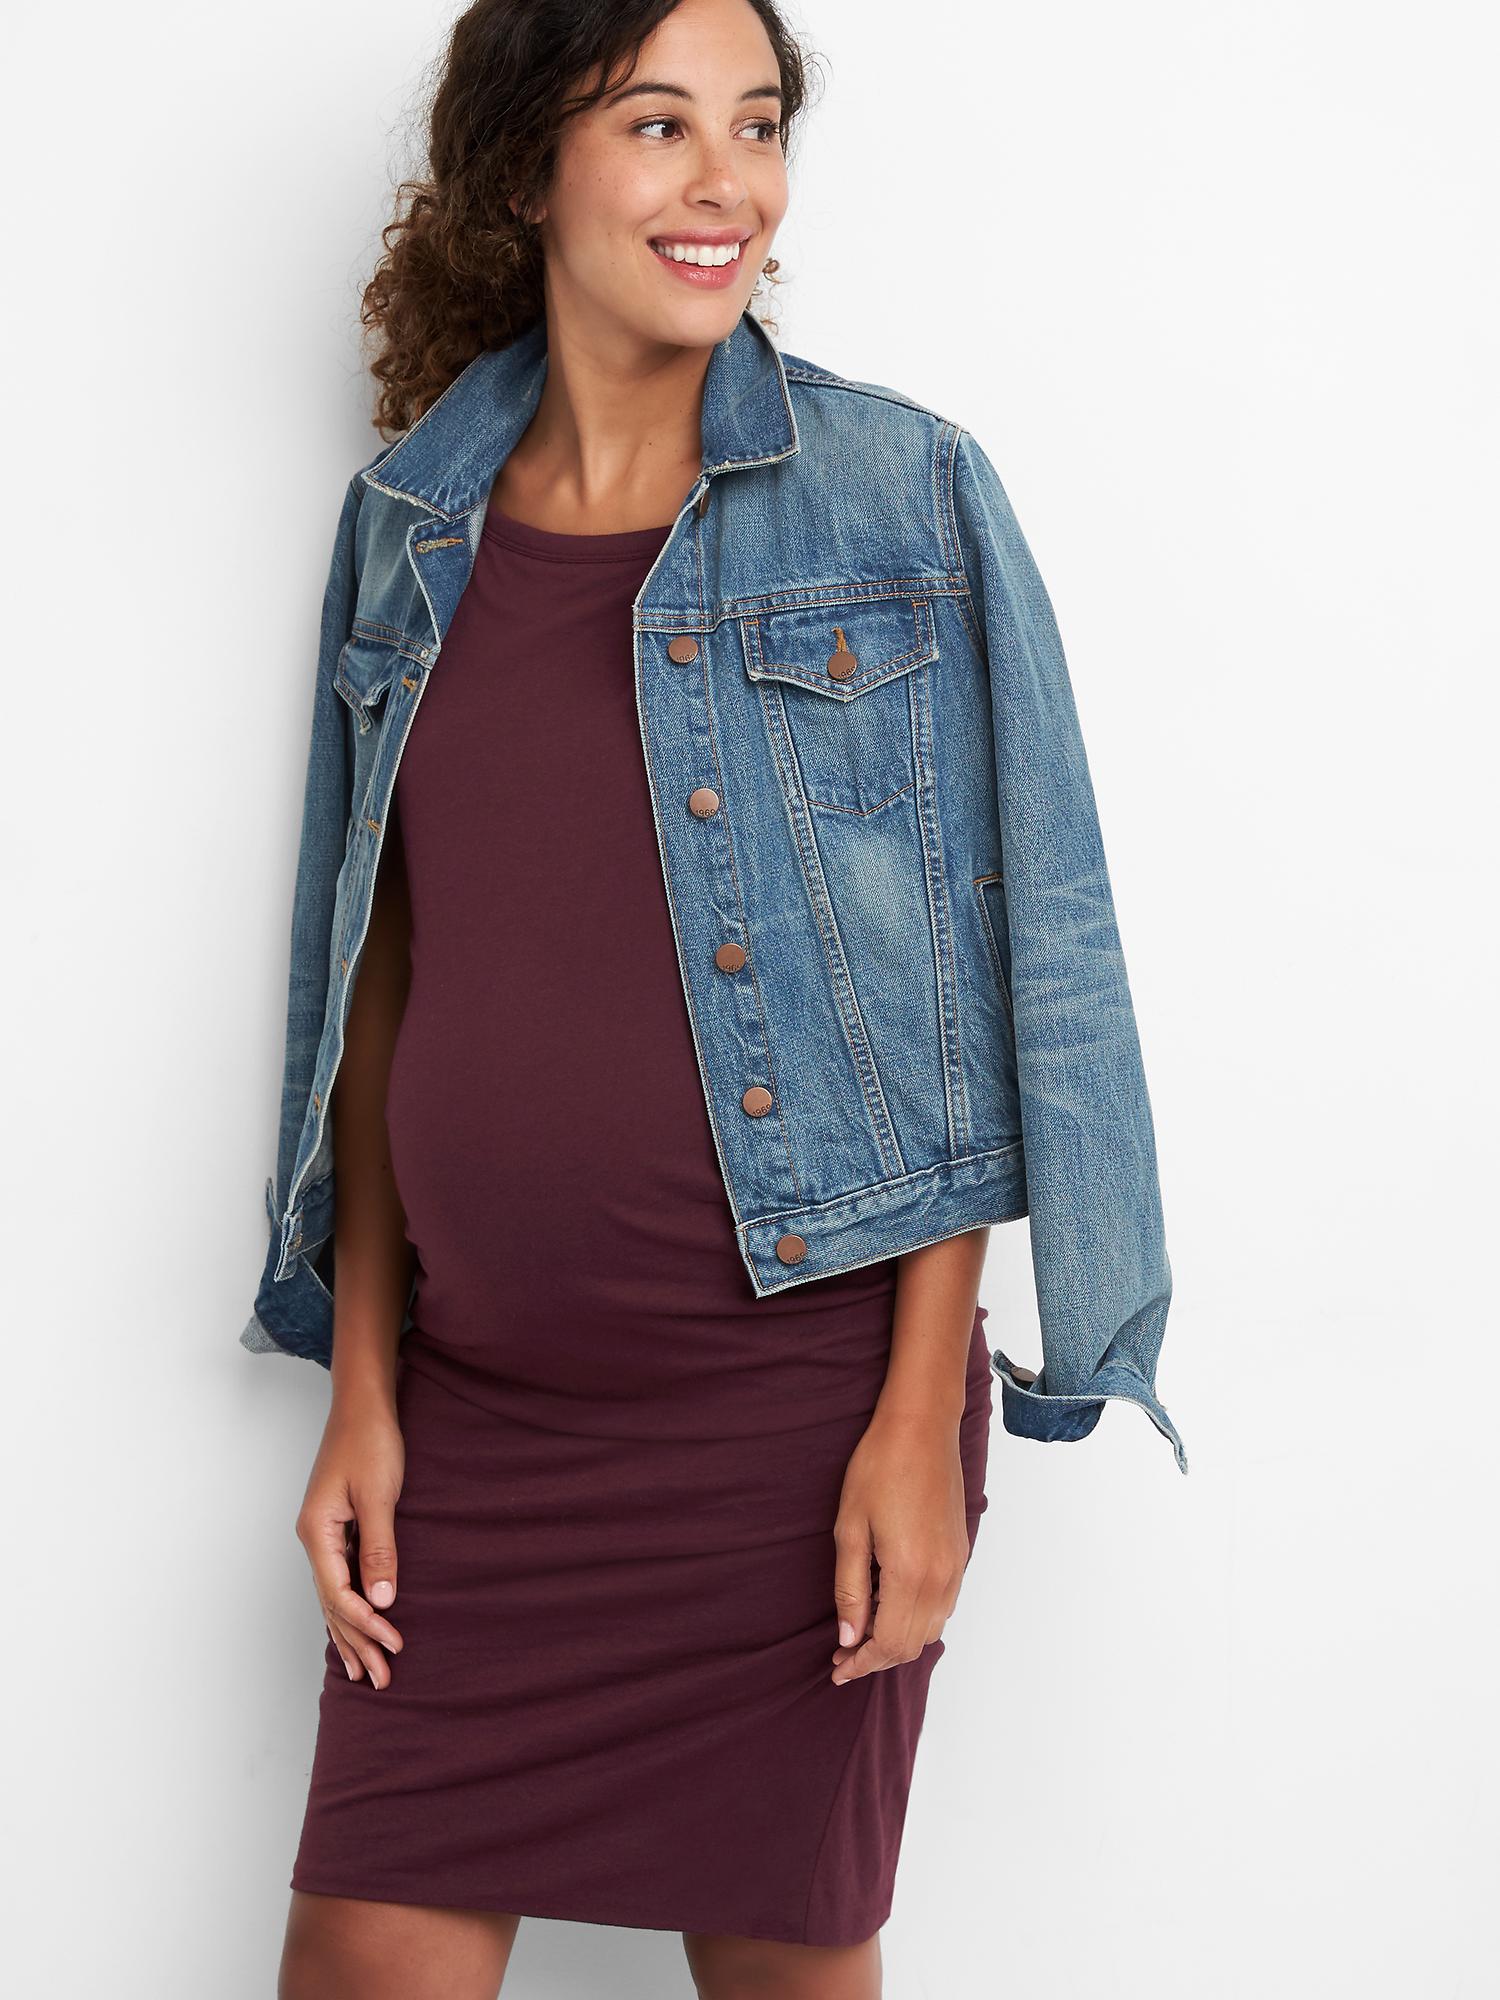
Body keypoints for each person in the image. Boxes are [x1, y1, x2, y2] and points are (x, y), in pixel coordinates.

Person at [256, 1, 1184, 1994]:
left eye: (758, 126)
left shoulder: (899, 493)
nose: (728, 183)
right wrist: (364, 1386)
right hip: (483, 1423)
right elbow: (378, 976)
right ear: (527, 169)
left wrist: (919, 1419)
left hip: (794, 1421)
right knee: (361, 1954)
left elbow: (981, 979)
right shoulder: (408, 525)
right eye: (660, 125)